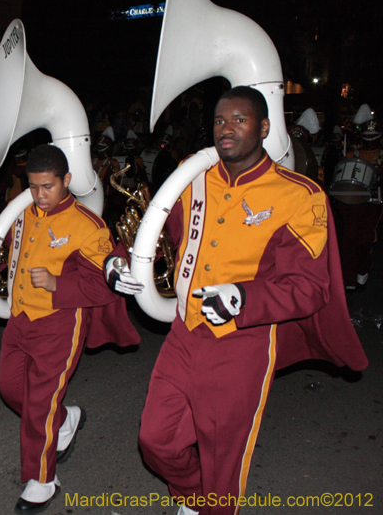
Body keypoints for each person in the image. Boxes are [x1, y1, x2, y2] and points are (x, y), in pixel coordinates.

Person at [106, 87, 368, 515]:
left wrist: (243, 296)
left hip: (242, 343)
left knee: (222, 459)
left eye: (239, 120)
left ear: (264, 128)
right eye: (218, 121)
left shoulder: (299, 196)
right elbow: (147, 237)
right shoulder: (192, 180)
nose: (225, 129)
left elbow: (309, 285)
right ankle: (195, 499)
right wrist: (116, 263)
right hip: (183, 333)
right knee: (155, 440)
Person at [0, 144, 141, 513]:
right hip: (19, 319)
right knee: (11, 388)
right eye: (32, 186)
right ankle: (65, 419)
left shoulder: (88, 225)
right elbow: (6, 251)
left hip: (60, 323)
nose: (39, 195)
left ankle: (42, 480)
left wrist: (57, 283)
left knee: (39, 406)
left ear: (67, 181)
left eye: (47, 186)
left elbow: (103, 284)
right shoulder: (23, 211)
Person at [330, 105, 382, 292]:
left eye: (372, 138)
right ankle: (348, 280)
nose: (369, 142)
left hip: (372, 203)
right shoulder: (351, 154)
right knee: (348, 241)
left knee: (365, 240)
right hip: (350, 201)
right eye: (367, 138)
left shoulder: (380, 156)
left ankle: (361, 274)